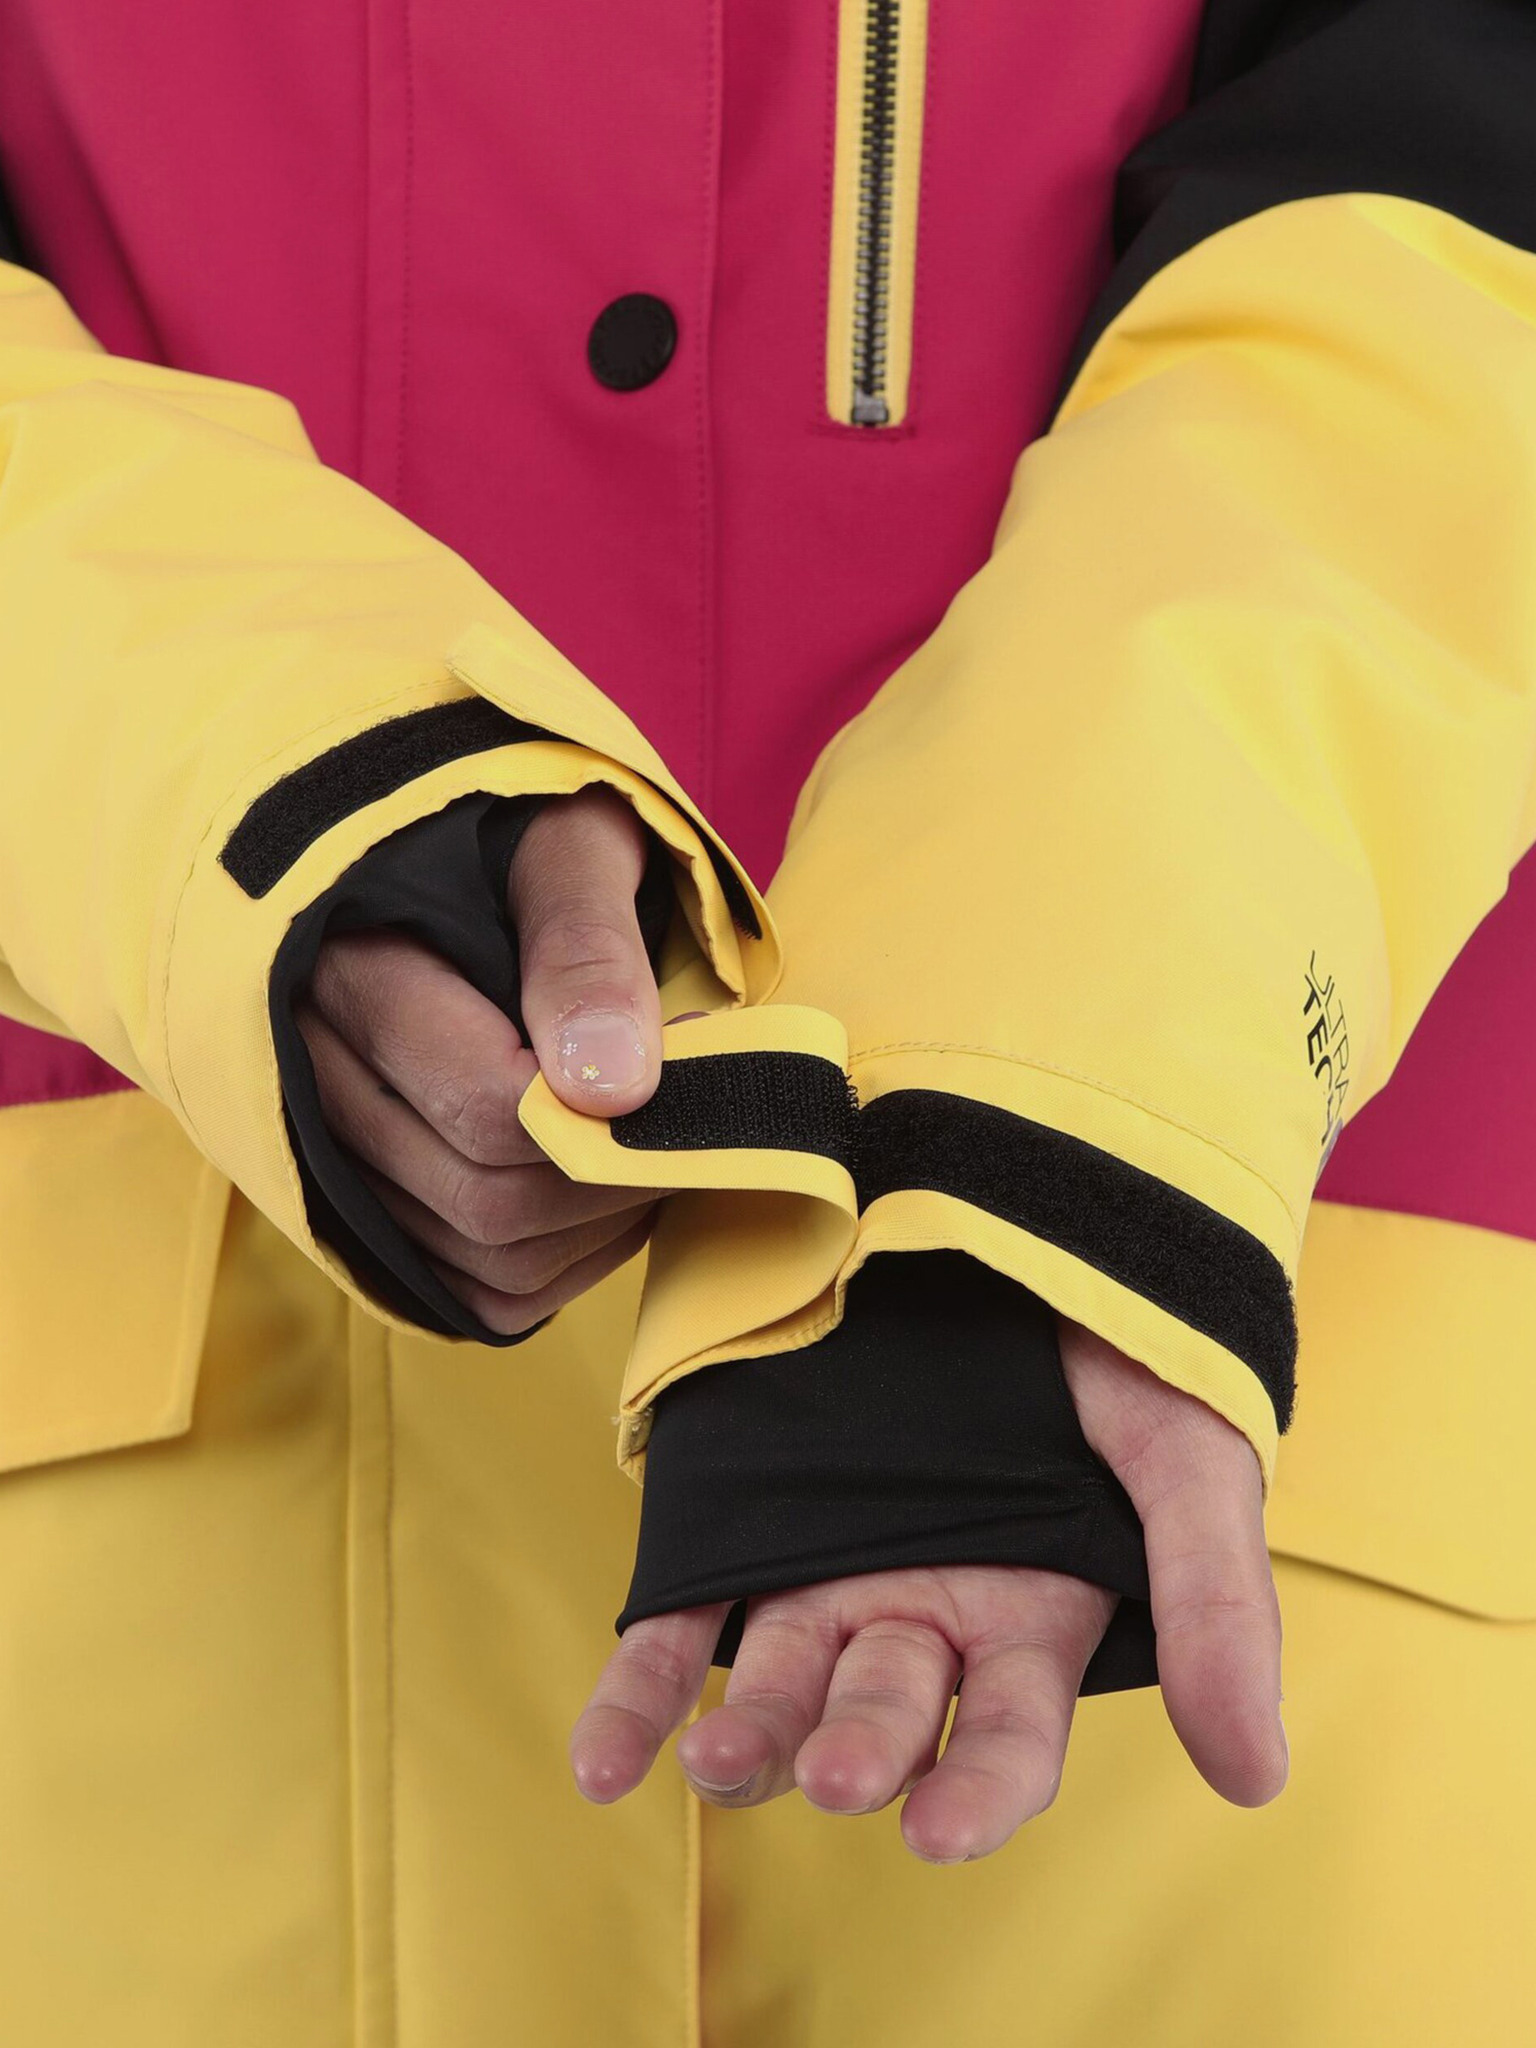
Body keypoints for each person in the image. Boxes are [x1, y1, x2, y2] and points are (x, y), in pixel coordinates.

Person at [0, 1, 1532, 2040]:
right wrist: (274, 800)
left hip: (1230, 1499)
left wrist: (1036, 1116)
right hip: (133, 1636)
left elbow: (1460, 189)